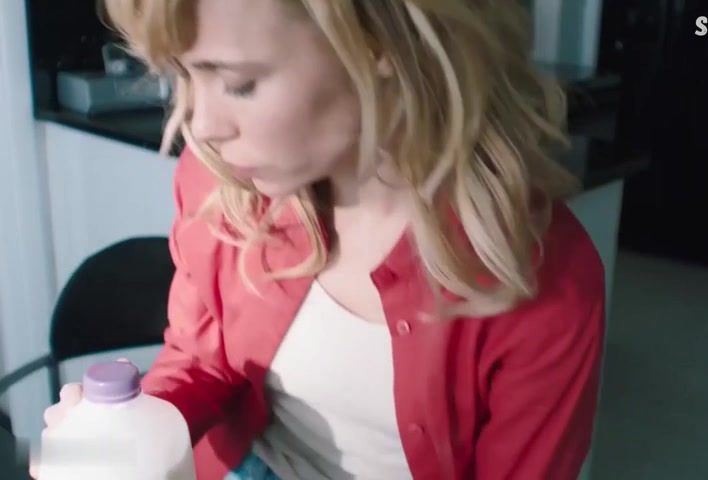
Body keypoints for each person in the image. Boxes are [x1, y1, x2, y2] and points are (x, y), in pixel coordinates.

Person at [34, 0, 606, 478]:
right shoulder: (219, 185)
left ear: (379, 39)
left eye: (237, 83)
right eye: (183, 75)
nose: (201, 127)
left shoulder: (543, 279)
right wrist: (132, 432)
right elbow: (202, 360)